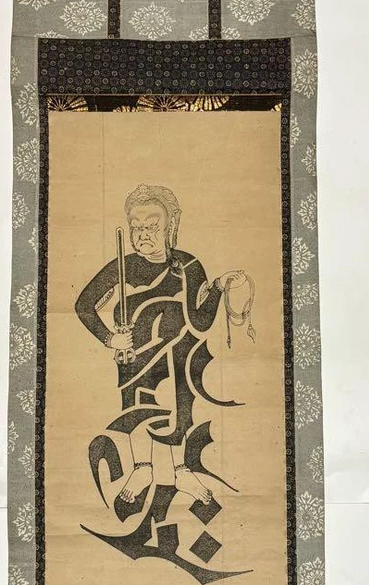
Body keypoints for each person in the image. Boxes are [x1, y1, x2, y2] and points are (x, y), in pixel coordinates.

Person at [75, 182, 248, 515]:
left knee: (177, 409)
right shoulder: (123, 266)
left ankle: (181, 471)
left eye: (152, 226)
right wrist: (110, 338)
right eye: (136, 227)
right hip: (135, 358)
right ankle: (143, 468)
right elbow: (84, 305)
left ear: (171, 224)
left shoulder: (188, 265)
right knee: (140, 409)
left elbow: (200, 322)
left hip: (180, 357)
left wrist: (217, 288)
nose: (143, 235)